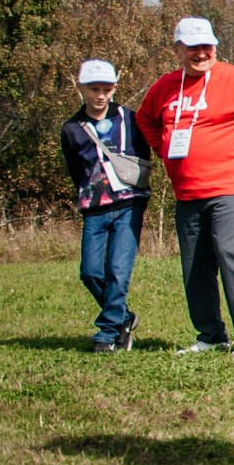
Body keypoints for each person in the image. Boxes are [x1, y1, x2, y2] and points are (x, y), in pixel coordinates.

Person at [135, 16, 234, 356]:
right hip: (187, 191)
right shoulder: (166, 86)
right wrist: (165, 151)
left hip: (229, 184)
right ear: (178, 50)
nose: (201, 53)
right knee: (195, 265)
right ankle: (210, 335)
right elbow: (144, 119)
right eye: (193, 47)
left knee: (232, 256)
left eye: (207, 46)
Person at [61, 58, 152, 353]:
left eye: (106, 88)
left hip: (129, 203)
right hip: (94, 207)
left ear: (114, 88)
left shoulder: (130, 119)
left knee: (117, 268)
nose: (100, 95)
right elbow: (76, 168)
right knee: (89, 271)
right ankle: (124, 317)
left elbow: (143, 156)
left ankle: (108, 331)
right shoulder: (72, 129)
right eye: (94, 89)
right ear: (82, 89)